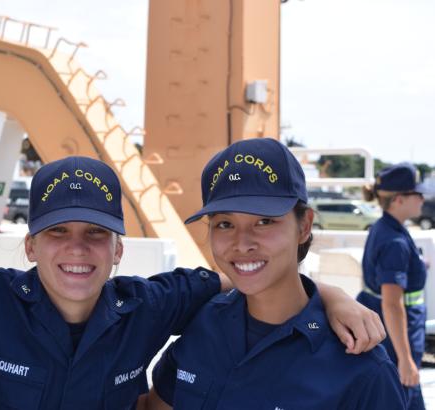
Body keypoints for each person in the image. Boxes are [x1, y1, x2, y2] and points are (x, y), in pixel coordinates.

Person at [0, 156, 383, 409]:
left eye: (94, 234)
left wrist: (330, 297)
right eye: (58, 234)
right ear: (29, 244)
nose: (77, 251)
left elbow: (244, 279)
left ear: (120, 249)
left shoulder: (150, 305)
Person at [143, 138, 405, 409]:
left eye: (264, 221)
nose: (242, 243)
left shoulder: (359, 365)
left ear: (304, 226)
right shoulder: (201, 325)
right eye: (224, 224)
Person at [356, 163, 428, 410]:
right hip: (399, 337)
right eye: (416, 193)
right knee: (402, 396)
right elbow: (392, 303)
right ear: (399, 199)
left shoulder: (384, 228)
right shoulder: (395, 242)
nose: (422, 198)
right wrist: (406, 360)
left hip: (390, 332)